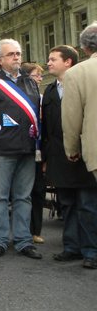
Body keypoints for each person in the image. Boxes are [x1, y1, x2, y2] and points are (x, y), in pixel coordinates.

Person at [0, 39, 42, 259]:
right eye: (11, 54)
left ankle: (23, 240)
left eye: (18, 53)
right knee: (0, 197)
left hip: (27, 149)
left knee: (23, 197)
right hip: (1, 149)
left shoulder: (30, 83)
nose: (17, 57)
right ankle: (0, 240)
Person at [61, 24, 97, 269]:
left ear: (83, 47)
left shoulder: (77, 73)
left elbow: (72, 118)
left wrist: (71, 149)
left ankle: (92, 252)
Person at [22, 61, 46, 244]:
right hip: (21, 151)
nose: (39, 79)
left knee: (38, 191)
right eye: (36, 75)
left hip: (40, 152)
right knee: (22, 193)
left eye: (40, 76)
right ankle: (21, 230)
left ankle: (35, 231)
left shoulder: (44, 98)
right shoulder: (19, 99)